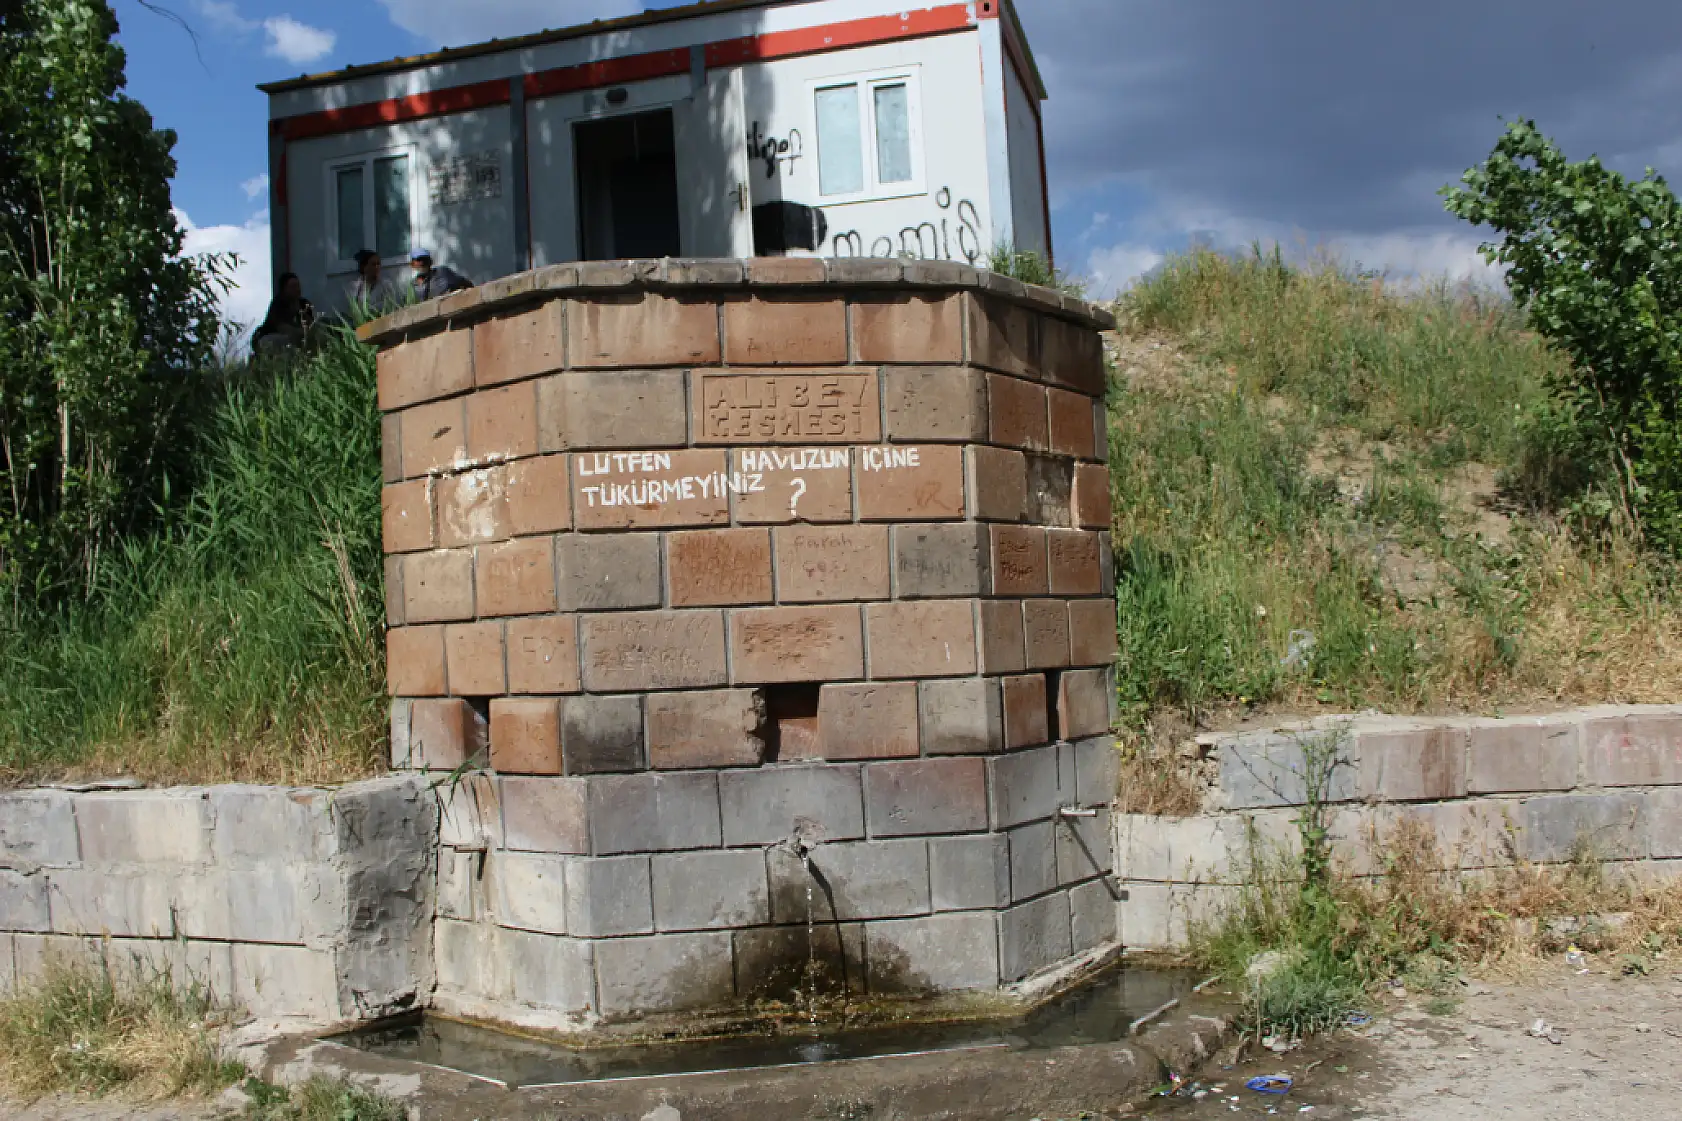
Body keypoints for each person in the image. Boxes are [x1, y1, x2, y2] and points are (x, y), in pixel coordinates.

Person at [251, 272, 315, 354]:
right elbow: (282, 328)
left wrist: (302, 313)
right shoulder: (278, 304)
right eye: (293, 286)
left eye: (298, 286)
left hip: (298, 340)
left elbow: (312, 324)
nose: (297, 289)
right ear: (284, 289)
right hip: (273, 338)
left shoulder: (304, 303)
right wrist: (301, 332)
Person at [349, 249, 401, 313]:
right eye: (373, 264)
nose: (377, 267)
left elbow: (391, 306)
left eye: (378, 264)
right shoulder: (355, 287)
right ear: (364, 267)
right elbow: (354, 309)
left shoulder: (386, 285)